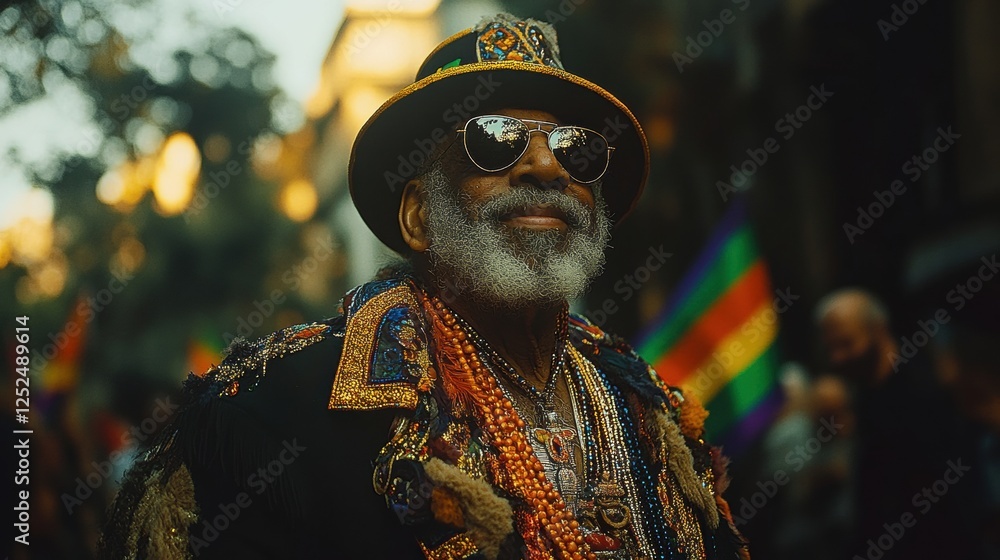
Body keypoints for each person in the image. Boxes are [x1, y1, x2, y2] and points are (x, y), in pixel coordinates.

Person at [99, 14, 748, 559]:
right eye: (495, 140)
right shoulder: (273, 416)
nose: (547, 164)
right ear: (418, 217)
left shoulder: (650, 410)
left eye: (576, 149)